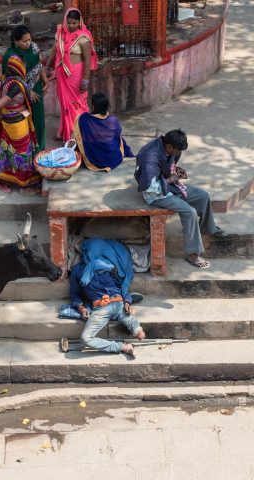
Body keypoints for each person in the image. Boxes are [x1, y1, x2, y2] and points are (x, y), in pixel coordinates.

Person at [134, 129, 227, 269]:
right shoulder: (149, 158)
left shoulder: (166, 146)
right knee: (189, 212)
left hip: (168, 185)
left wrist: (175, 170)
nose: (178, 154)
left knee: (203, 196)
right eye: (177, 151)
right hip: (155, 194)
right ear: (169, 146)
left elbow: (166, 165)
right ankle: (193, 254)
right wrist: (170, 180)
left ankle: (208, 227)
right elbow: (149, 188)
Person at [70, 238, 145, 356]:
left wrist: (127, 302)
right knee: (85, 339)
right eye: (92, 250)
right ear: (86, 252)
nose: (94, 254)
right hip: (100, 309)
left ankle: (134, 319)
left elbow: (123, 288)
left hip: (119, 303)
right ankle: (122, 347)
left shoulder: (109, 265)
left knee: (140, 334)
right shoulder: (78, 270)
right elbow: (74, 293)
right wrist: (81, 308)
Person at [45, 8, 98, 142]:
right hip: (63, 75)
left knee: (78, 104)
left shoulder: (84, 37)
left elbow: (87, 60)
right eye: (69, 23)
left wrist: (85, 80)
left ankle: (80, 134)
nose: (72, 26)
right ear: (65, 21)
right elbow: (54, 51)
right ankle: (65, 133)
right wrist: (47, 66)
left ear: (79, 22)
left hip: (77, 75)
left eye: (74, 23)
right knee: (65, 106)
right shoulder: (61, 33)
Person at [0, 54, 41, 195]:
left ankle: (1, 179)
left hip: (10, 120)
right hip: (16, 123)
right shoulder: (15, 86)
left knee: (6, 149)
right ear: (20, 67)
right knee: (23, 153)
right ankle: (24, 186)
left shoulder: (6, 79)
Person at [2, 26, 48, 151]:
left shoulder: (34, 47)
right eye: (24, 41)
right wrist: (28, 90)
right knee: (25, 119)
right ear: (16, 41)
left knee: (38, 119)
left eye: (29, 39)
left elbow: (39, 64)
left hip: (36, 91)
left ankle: (40, 151)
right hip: (20, 96)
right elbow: (9, 80)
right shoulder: (10, 56)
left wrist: (45, 79)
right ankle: (27, 154)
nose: (28, 43)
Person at [73, 92, 134, 172]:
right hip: (113, 158)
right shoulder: (113, 120)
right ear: (106, 106)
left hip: (95, 161)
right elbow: (117, 137)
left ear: (93, 106)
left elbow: (79, 137)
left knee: (79, 140)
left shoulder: (83, 118)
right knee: (120, 139)